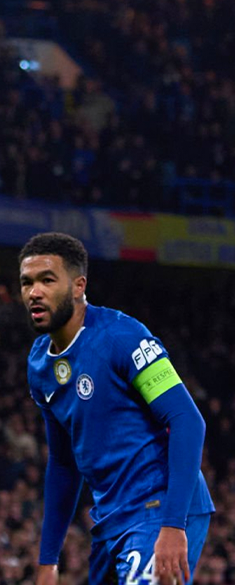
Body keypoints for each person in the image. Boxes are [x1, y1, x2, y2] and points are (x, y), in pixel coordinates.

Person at [19, 233, 214, 585]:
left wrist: (173, 525)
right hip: (111, 519)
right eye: (27, 282)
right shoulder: (38, 364)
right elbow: (63, 463)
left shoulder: (123, 337)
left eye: (47, 280)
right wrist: (48, 559)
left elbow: (187, 420)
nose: (34, 292)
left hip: (159, 507)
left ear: (78, 286)